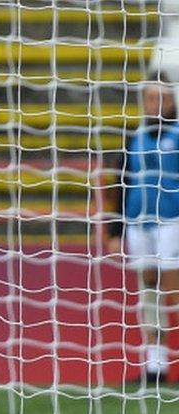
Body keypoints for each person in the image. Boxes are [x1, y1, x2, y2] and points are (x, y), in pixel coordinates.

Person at [108, 72, 179, 385]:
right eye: (151, 98)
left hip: (172, 221)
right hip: (139, 222)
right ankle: (155, 365)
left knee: (173, 290)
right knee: (147, 289)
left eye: (163, 98)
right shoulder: (132, 137)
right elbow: (120, 183)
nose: (157, 104)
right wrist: (115, 230)